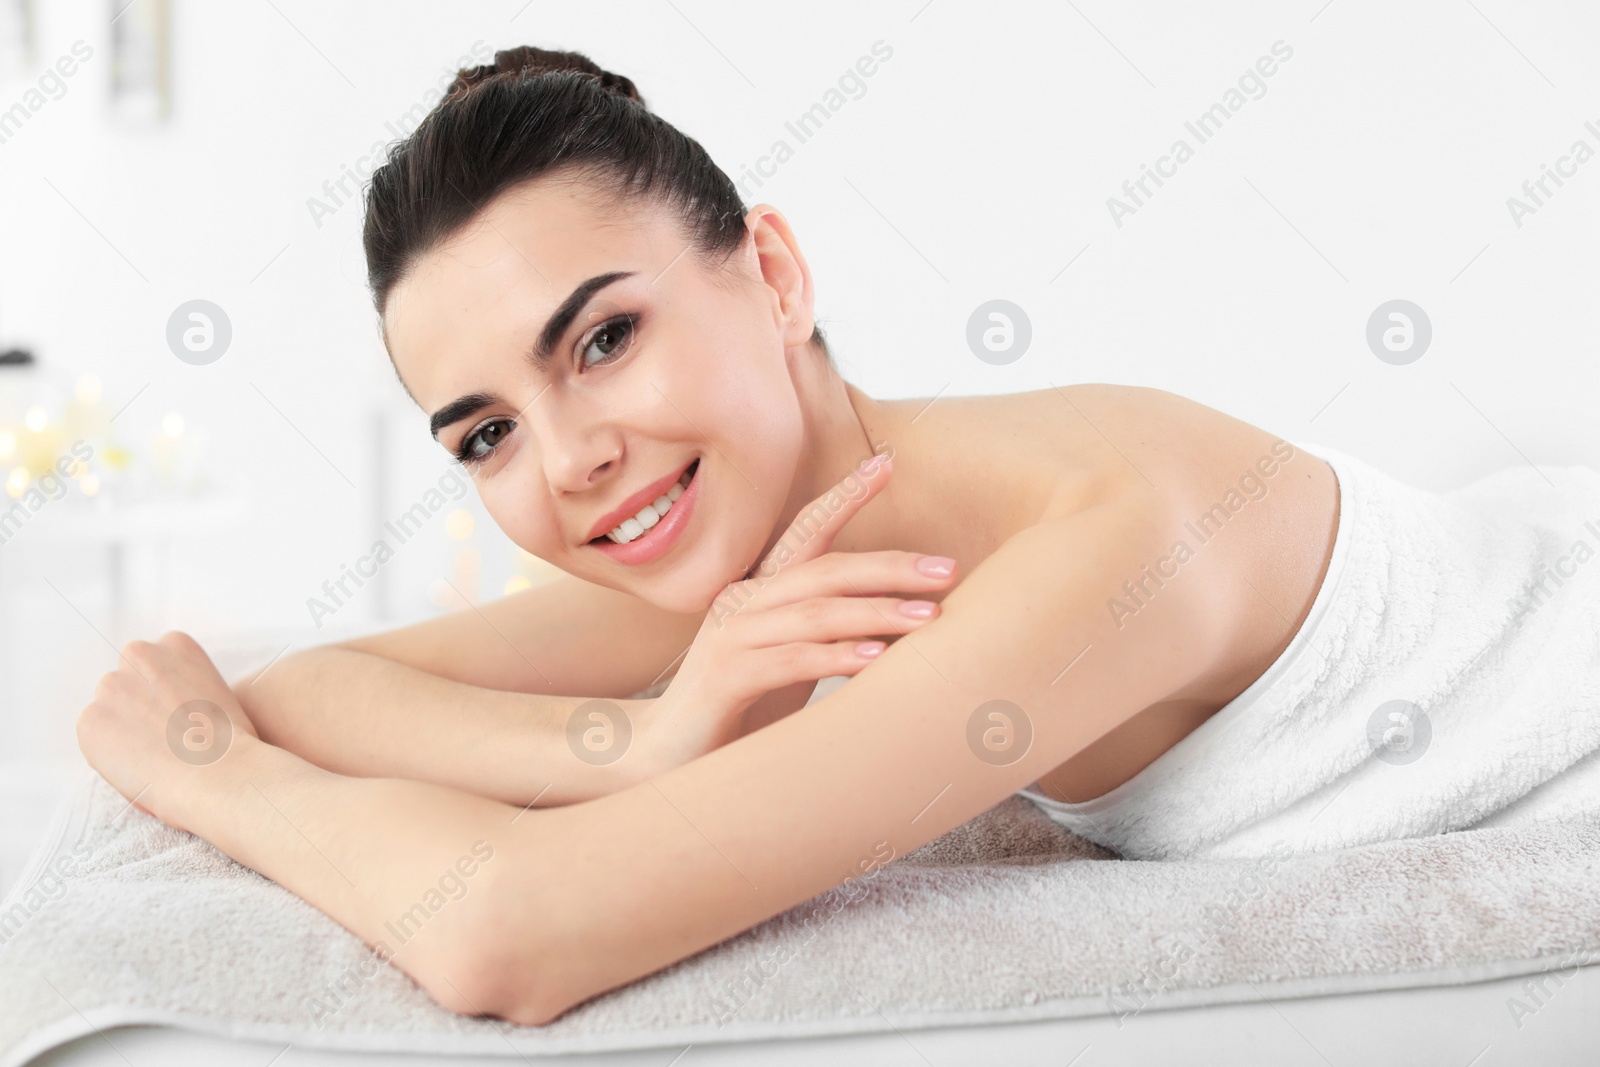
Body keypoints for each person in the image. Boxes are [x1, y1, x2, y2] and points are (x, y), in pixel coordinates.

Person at [74, 46, 1342, 1025]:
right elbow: (307, 692)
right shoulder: (754, 558)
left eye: (605, 339)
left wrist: (212, 779)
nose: (570, 460)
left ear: (775, 276)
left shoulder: (1111, 532)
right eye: (487, 435)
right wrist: (637, 737)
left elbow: (504, 932)